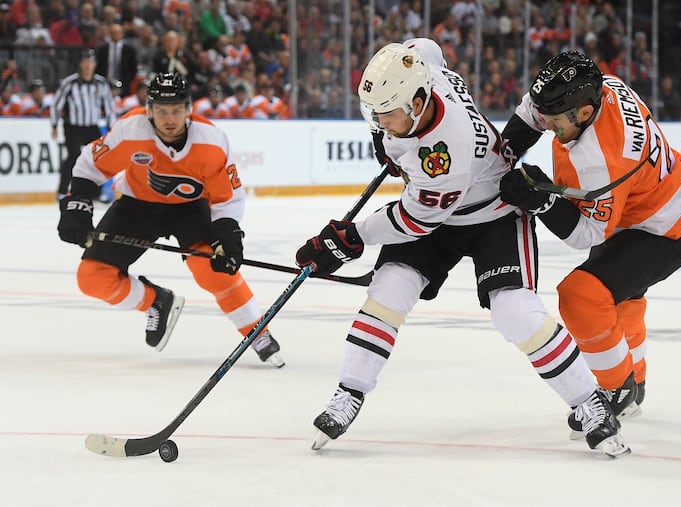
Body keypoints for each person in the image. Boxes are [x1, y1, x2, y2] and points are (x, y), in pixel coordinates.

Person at [296, 41, 630, 457]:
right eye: (374, 114)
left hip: (493, 214)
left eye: (387, 114)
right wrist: (388, 134)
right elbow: (426, 48)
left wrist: (350, 238)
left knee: (514, 311)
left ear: (418, 104)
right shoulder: (422, 72)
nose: (380, 122)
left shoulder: (445, 152)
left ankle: (588, 400)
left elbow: (416, 221)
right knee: (389, 288)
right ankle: (349, 392)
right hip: (441, 208)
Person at [499, 51, 681, 437]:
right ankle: (635, 380)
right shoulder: (598, 88)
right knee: (620, 297)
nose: (547, 126)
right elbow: (534, 111)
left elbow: (587, 234)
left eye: (555, 120)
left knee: (583, 296)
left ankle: (617, 388)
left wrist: (542, 199)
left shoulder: (601, 160)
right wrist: (496, 160)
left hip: (666, 227)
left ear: (583, 112)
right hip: (649, 202)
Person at [56, 72, 284, 367]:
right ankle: (156, 301)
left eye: (177, 110)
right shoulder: (130, 129)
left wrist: (228, 233)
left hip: (190, 208)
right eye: (162, 111)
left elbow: (227, 197)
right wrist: (77, 205)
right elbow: (90, 164)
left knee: (214, 271)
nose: (170, 119)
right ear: (149, 110)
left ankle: (258, 333)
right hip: (136, 205)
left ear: (189, 109)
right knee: (92, 278)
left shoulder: (211, 141)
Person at [50, 48, 115, 200]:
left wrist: (111, 127)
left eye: (90, 62)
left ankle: (96, 193)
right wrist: (54, 125)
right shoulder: (70, 83)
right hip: (73, 126)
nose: (87, 65)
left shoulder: (101, 83)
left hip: (92, 126)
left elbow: (109, 107)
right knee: (73, 156)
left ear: (95, 64)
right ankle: (62, 191)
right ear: (80, 64)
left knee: (98, 158)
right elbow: (56, 105)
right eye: (85, 61)